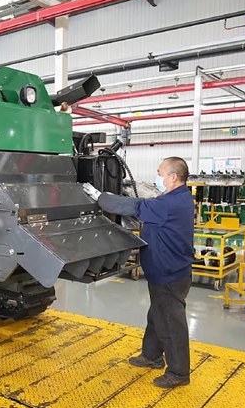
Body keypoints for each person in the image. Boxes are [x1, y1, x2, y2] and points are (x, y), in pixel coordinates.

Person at [83, 157, 195, 388]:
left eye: (160, 173)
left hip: (169, 273)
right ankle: (152, 355)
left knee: (170, 323)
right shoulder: (177, 196)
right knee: (158, 316)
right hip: (167, 270)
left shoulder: (170, 204)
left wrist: (100, 197)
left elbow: (135, 207)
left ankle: (179, 373)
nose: (158, 177)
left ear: (173, 177)